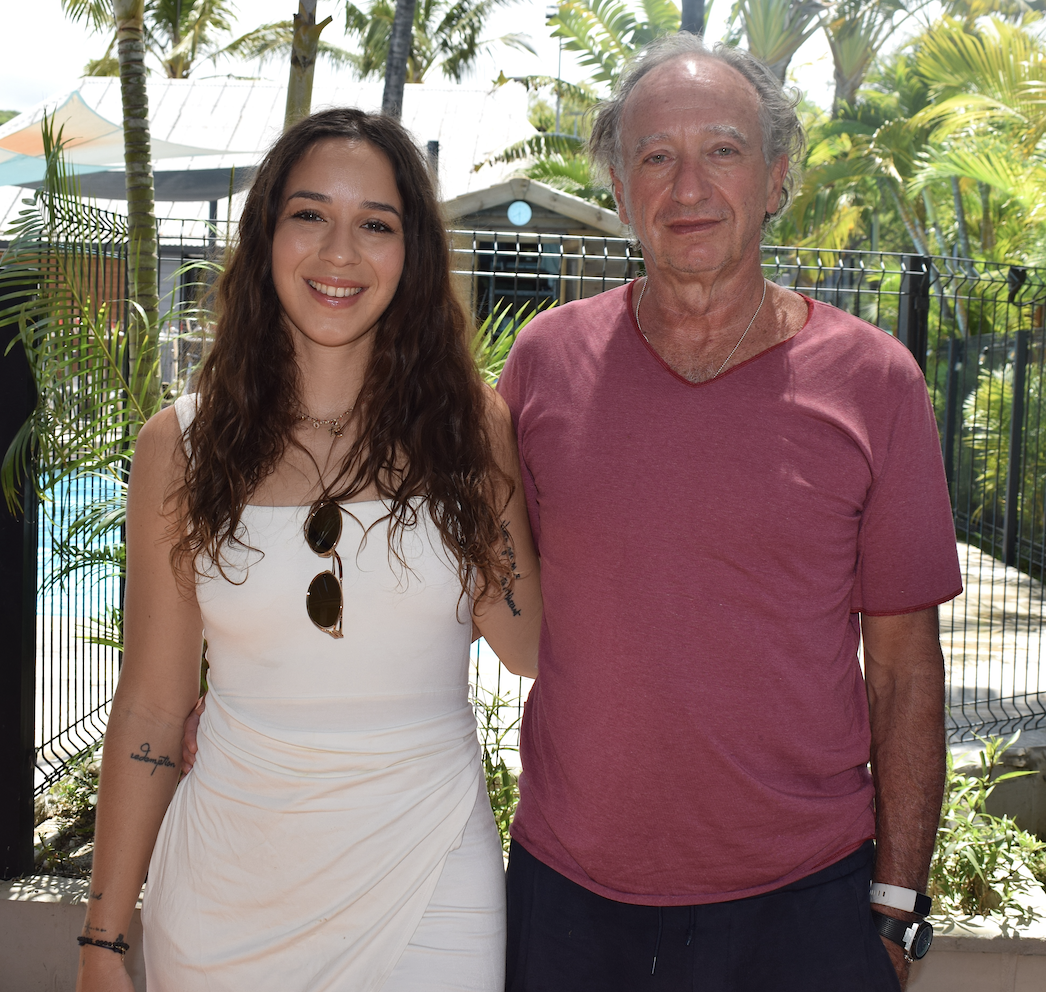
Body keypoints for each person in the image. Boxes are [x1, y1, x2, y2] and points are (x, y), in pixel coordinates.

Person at [496, 35, 962, 992]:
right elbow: (479, 590)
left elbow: (906, 675)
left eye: (723, 150)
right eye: (655, 157)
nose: (688, 186)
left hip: (805, 908)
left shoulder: (875, 381)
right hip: (571, 902)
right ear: (622, 191)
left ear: (778, 177)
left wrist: (898, 903)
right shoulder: (543, 363)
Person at [75, 108, 540, 992]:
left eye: (376, 224)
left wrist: (482, 484)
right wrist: (103, 941)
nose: (340, 252)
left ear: (413, 258)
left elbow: (524, 647)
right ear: (265, 235)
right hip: (225, 889)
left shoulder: (472, 428)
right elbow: (150, 710)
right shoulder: (180, 446)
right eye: (309, 214)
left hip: (430, 873)